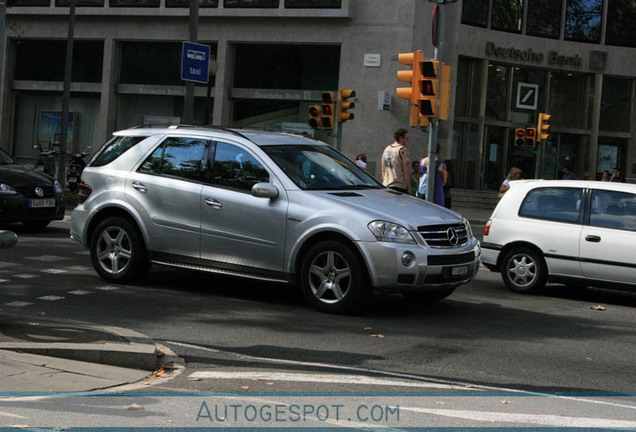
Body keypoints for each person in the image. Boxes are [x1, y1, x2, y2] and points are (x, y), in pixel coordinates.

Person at [381, 128, 411, 194]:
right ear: (401, 138)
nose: (407, 140)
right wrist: (409, 187)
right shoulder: (402, 150)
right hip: (399, 185)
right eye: (406, 138)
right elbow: (406, 171)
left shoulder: (386, 149)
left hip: (386, 185)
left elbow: (383, 170)